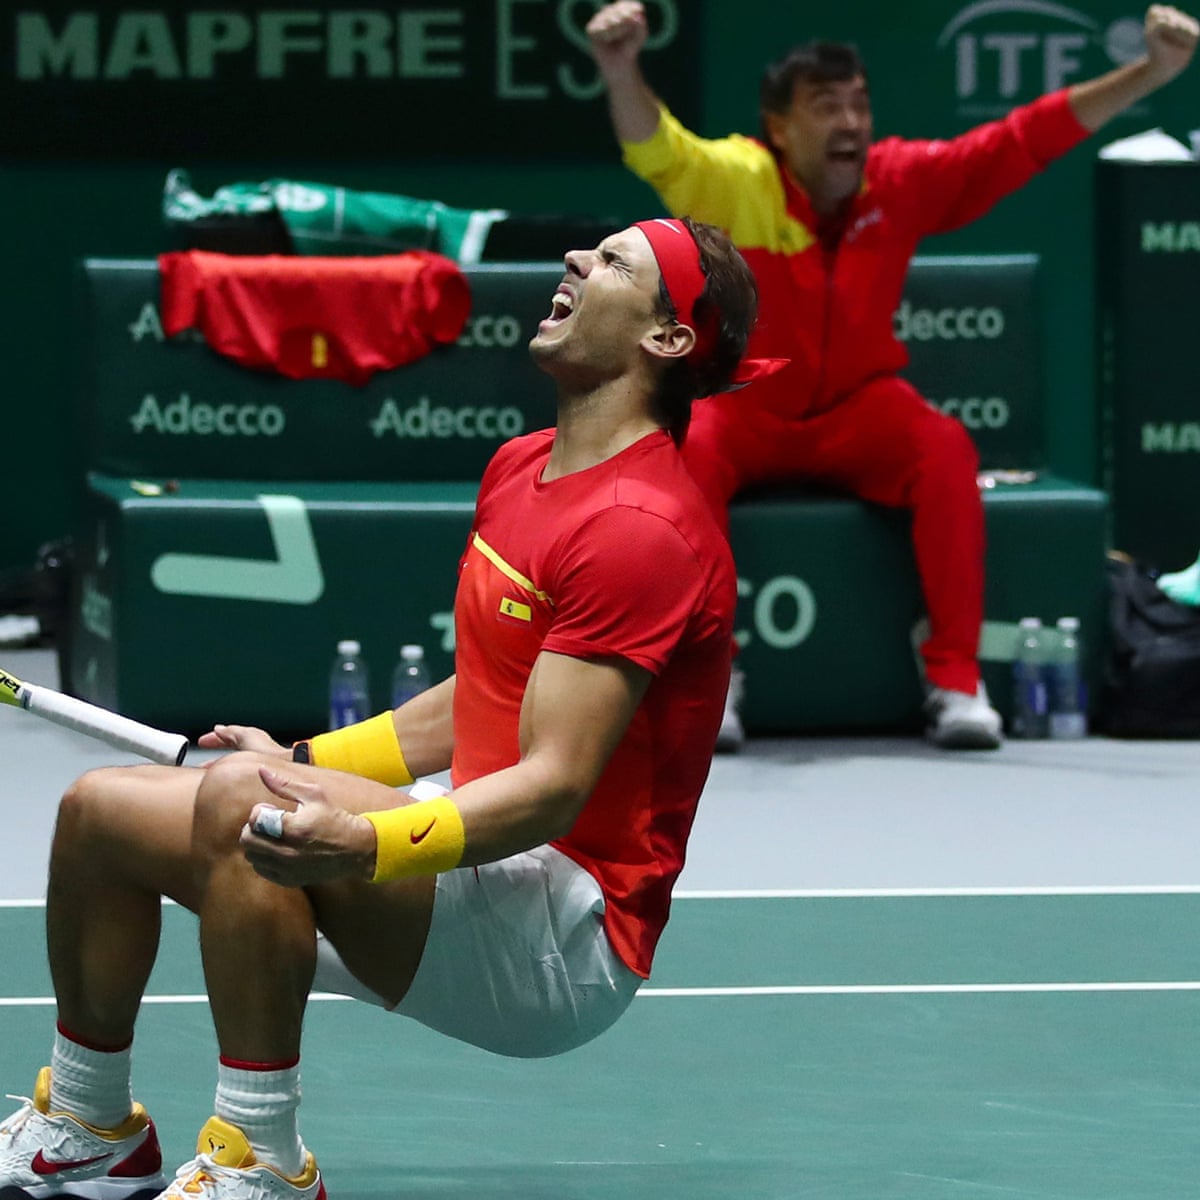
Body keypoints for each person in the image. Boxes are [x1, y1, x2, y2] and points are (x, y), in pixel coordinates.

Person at [0, 218, 759, 1200]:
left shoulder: (640, 528)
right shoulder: (523, 467)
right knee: (99, 812)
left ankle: (262, 1160)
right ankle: (89, 1122)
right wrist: (305, 757)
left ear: (668, 336)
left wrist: (366, 844)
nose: (576, 260)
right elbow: (477, 696)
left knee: (245, 805)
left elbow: (553, 791)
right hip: (474, 851)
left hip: (561, 929)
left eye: (615, 261)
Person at [586, 1, 1200, 752]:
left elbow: (1020, 141)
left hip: (857, 409)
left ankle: (955, 679)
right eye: (825, 106)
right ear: (779, 127)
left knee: (943, 449)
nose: (850, 123)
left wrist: (1150, 73)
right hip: (747, 402)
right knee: (685, 450)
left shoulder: (899, 180)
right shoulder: (736, 182)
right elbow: (656, 146)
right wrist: (619, 65)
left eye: (859, 105)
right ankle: (711, 679)